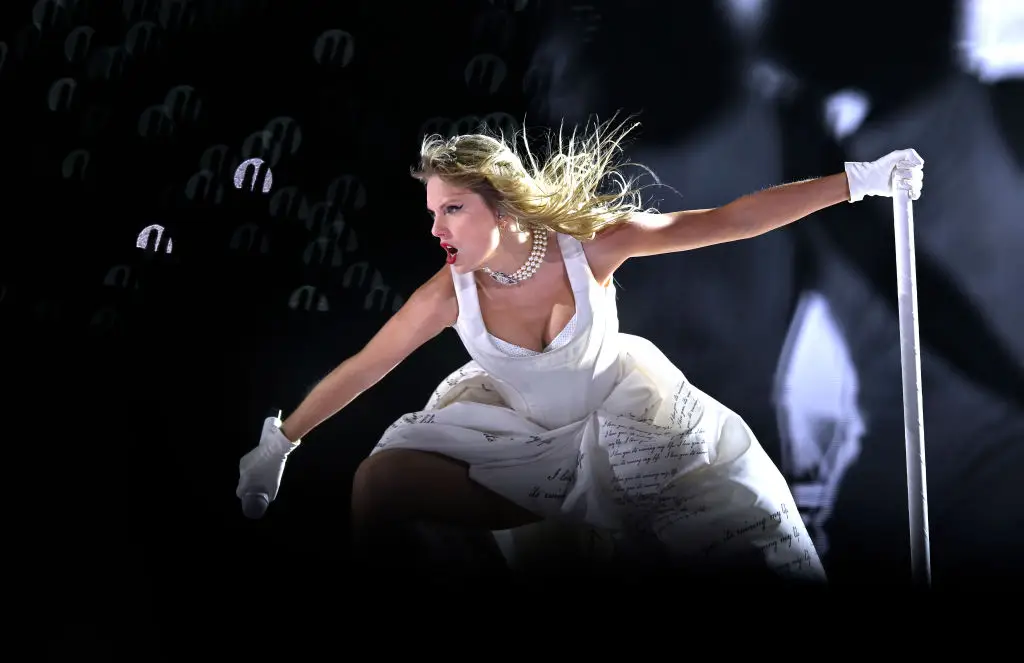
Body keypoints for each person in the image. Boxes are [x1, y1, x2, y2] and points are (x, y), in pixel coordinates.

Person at [236, 118, 924, 587]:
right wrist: (281, 442)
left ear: (501, 207)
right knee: (376, 484)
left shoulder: (590, 245)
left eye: (452, 210)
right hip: (533, 454)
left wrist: (859, 179)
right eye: (431, 213)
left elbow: (730, 220)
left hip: (640, 436)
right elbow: (366, 365)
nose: (436, 227)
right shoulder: (447, 294)